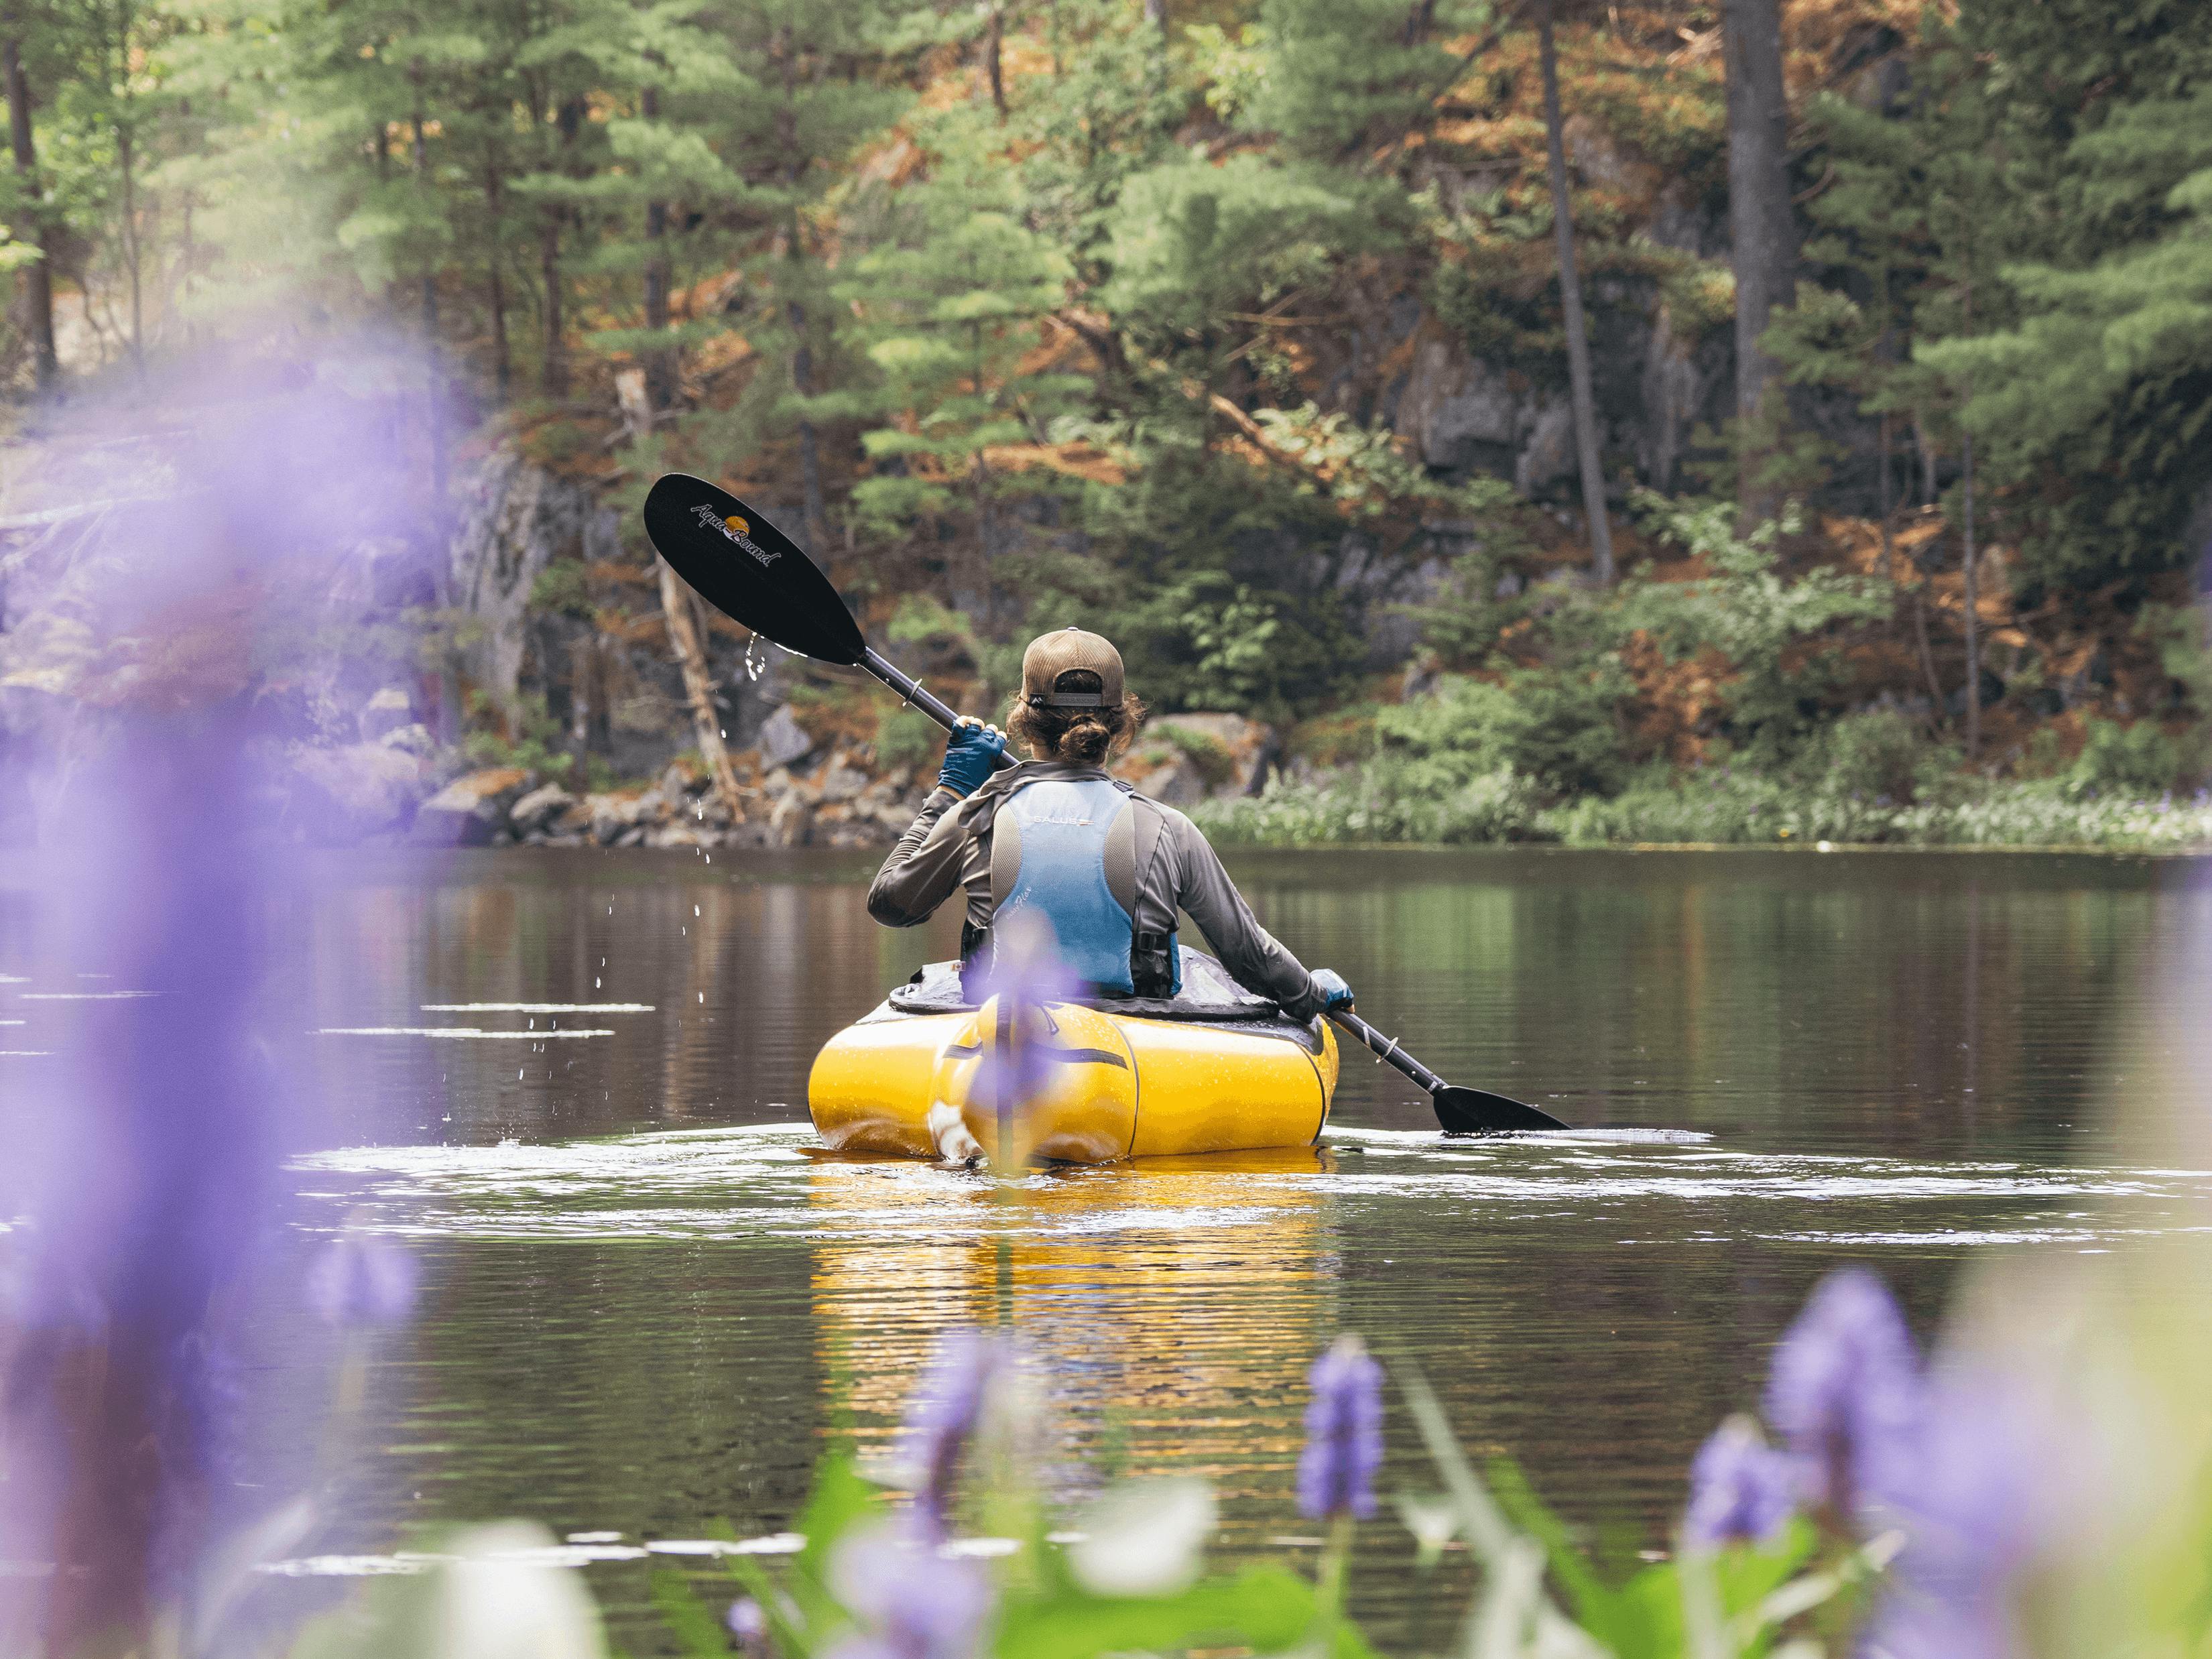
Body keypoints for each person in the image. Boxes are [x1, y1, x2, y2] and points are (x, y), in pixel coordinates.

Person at [866, 626, 1355, 1022]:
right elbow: (1249, 957)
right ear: (1121, 724)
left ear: (1023, 720)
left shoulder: (977, 813)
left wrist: (950, 791)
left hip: (1000, 1029)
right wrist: (1312, 992)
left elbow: (891, 903)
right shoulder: (1168, 828)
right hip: (1141, 1032)